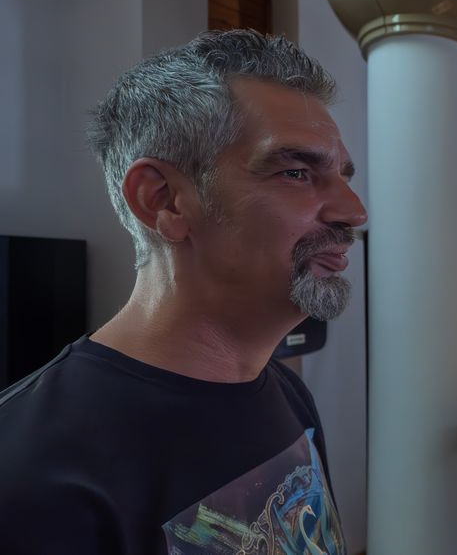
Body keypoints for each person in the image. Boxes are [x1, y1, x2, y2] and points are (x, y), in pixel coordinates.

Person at [0, 29, 366, 554]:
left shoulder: (289, 395)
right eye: (296, 172)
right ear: (163, 201)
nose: (354, 212)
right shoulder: (31, 475)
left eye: (343, 178)